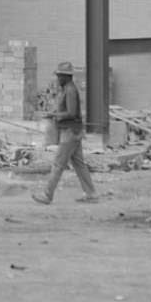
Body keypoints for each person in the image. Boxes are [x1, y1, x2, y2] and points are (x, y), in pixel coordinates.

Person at [33, 61, 98, 205]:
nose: (58, 78)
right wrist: (53, 113)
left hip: (70, 132)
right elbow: (66, 110)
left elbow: (71, 112)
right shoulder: (67, 89)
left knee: (58, 164)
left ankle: (47, 195)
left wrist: (57, 116)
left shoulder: (70, 90)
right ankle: (91, 193)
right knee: (79, 164)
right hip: (72, 131)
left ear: (66, 76)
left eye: (60, 76)